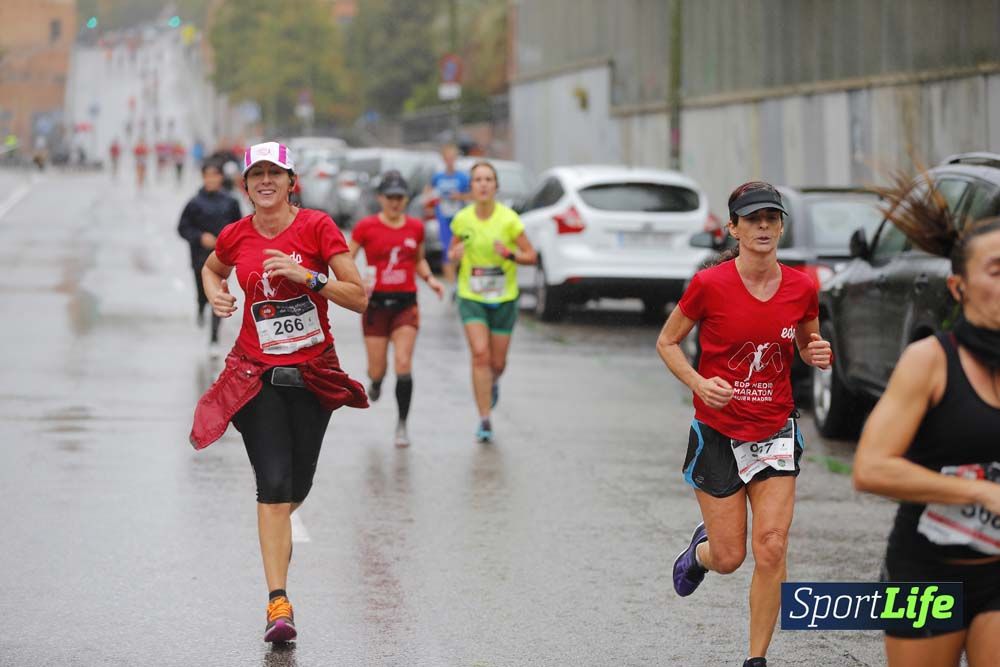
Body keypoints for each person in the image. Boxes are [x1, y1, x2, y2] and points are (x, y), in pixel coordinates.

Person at [190, 141, 369, 643]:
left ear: (292, 182)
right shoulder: (235, 234)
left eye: (276, 173)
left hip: (313, 374)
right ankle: (278, 604)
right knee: (272, 483)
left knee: (296, 487)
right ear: (245, 186)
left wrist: (307, 276)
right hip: (256, 373)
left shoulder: (317, 228)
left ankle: (271, 530)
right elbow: (212, 267)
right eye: (256, 174)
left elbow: (358, 296)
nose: (265, 181)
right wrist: (214, 292)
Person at [655, 181, 832, 667]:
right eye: (752, 219)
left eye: (771, 219)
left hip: (774, 430)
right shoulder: (710, 284)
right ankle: (699, 554)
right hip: (717, 431)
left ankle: (756, 659)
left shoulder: (801, 287)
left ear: (780, 227)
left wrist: (815, 351)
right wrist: (698, 382)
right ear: (733, 228)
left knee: (772, 546)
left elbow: (806, 341)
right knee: (730, 557)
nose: (763, 227)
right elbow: (667, 343)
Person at [852, 182, 1000, 667]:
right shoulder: (930, 361)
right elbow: (871, 468)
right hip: (925, 571)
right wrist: (979, 492)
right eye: (996, 271)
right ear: (958, 287)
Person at [349, 170, 444, 447]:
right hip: (376, 306)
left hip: (405, 304)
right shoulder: (366, 227)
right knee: (377, 369)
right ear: (380, 198)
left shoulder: (415, 227)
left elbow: (419, 260)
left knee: (403, 363)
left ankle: (402, 425)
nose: (394, 202)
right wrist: (355, 281)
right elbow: (345, 257)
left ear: (405, 199)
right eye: (389, 197)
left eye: (399, 197)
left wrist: (430, 280)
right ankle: (376, 382)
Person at [448, 161, 537, 443]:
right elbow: (452, 252)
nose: (483, 184)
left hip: (504, 298)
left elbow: (531, 256)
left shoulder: (509, 220)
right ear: (471, 187)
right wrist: (456, 254)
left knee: (497, 362)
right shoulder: (462, 219)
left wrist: (509, 254)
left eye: (488, 179)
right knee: (480, 354)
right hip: (471, 296)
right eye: (478, 180)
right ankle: (484, 419)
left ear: (496, 186)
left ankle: (493, 381)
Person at [177, 160, 243, 356]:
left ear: (221, 178)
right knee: (202, 292)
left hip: (222, 259)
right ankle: (200, 306)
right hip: (199, 256)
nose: (211, 179)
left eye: (215, 175)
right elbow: (182, 227)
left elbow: (240, 227)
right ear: (203, 177)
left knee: (218, 295)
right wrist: (199, 237)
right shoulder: (194, 203)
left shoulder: (231, 202)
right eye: (208, 175)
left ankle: (214, 337)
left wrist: (229, 243)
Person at [425, 144, 471, 290]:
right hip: (443, 219)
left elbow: (472, 195)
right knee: (446, 251)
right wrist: (431, 200)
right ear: (444, 159)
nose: (450, 160)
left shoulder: (462, 177)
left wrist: (459, 196)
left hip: (460, 219)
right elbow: (428, 193)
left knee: (461, 250)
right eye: (448, 158)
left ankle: (462, 282)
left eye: (453, 158)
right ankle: (452, 287)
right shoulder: (438, 177)